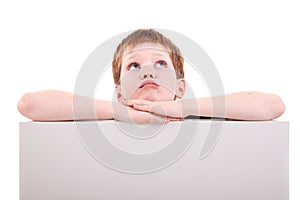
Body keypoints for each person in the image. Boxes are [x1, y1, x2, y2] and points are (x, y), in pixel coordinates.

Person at [17, 29, 285, 123]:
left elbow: (273, 106)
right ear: (119, 91)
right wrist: (120, 112)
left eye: (160, 63)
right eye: (134, 66)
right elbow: (28, 105)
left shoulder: (187, 107)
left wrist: (181, 108)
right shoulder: (113, 109)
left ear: (181, 87)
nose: (147, 70)